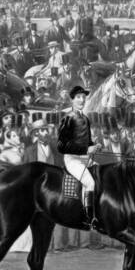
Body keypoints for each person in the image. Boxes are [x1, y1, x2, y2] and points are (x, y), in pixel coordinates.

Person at [57, 85, 100, 228]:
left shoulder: (85, 119)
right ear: (72, 100)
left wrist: (95, 146)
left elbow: (86, 142)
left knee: (102, 175)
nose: (82, 100)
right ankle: (87, 218)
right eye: (78, 97)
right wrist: (87, 149)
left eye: (84, 97)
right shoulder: (67, 119)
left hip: (86, 159)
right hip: (72, 159)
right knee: (90, 183)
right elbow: (61, 146)